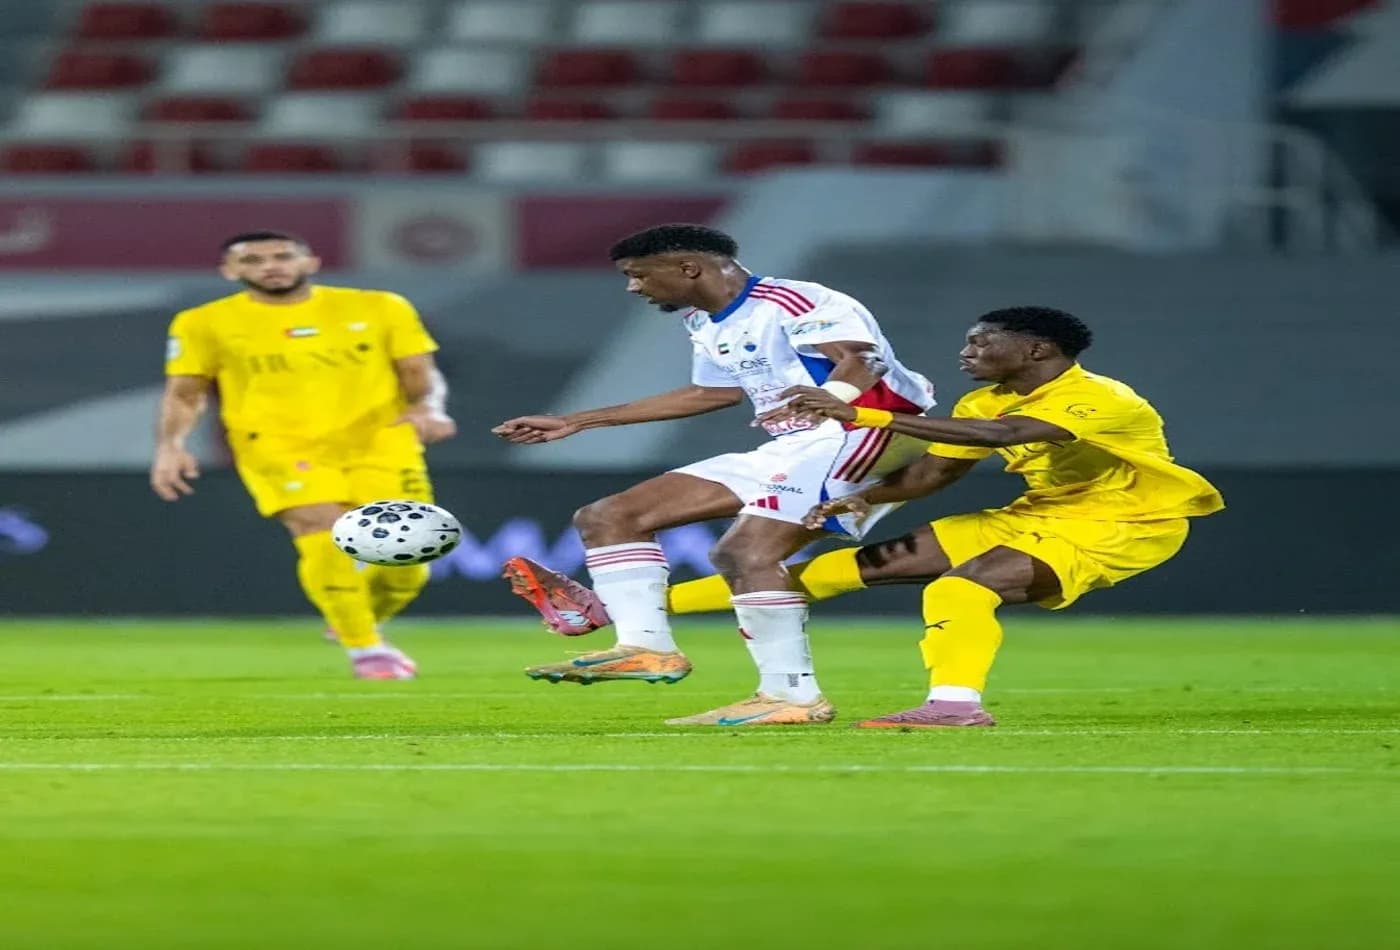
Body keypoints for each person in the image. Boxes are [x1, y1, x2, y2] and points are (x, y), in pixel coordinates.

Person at [504, 306, 1224, 726]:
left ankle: (954, 703)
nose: (967, 351)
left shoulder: (1101, 397)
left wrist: (856, 412)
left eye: (982, 342)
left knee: (961, 589)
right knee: (829, 570)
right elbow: (940, 468)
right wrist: (865, 496)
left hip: (1122, 525)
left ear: (1036, 350)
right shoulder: (981, 402)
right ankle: (607, 613)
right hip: (1034, 513)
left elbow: (1006, 440)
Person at [493, 223, 936, 726]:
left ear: (688, 268)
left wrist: (831, 400)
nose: (633, 288)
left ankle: (791, 696)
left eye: (638, 275)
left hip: (867, 430)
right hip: (796, 444)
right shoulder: (703, 323)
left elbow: (863, 358)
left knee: (746, 552)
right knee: (610, 515)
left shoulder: (795, 300)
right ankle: (646, 646)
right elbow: (711, 394)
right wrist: (578, 421)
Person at [149, 230, 457, 680]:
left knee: (407, 565)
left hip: (382, 442)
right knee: (321, 529)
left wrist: (428, 409)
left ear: (310, 261)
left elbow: (420, 372)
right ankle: (366, 650)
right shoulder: (202, 323)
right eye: (252, 260)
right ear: (230, 272)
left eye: (281, 256)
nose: (270, 265)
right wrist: (170, 446)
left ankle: (351, 615)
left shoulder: (380, 307)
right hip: (277, 446)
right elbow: (185, 393)